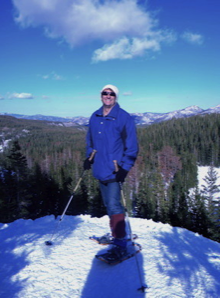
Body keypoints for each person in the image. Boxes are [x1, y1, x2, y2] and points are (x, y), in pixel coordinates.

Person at [84, 84, 138, 260]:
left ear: (116, 97)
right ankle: (116, 233)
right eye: (105, 93)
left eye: (111, 94)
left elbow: (132, 146)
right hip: (99, 168)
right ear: (100, 96)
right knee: (108, 204)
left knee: (114, 205)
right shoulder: (95, 116)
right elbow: (90, 141)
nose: (108, 96)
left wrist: (125, 168)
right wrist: (88, 158)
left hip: (115, 171)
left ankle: (121, 243)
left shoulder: (124, 118)